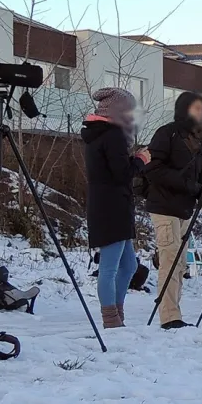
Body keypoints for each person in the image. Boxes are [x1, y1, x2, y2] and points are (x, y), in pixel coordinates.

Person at [82, 87, 149, 328]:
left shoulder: (97, 134)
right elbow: (122, 174)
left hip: (110, 204)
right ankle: (111, 318)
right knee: (109, 267)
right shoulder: (112, 136)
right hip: (112, 206)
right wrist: (141, 160)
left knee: (129, 265)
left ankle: (117, 312)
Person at [144, 92, 202, 329]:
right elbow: (153, 168)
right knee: (170, 259)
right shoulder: (166, 133)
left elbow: (199, 171)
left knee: (179, 263)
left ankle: (174, 312)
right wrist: (187, 185)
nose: (200, 113)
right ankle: (169, 316)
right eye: (195, 108)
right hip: (164, 206)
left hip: (183, 208)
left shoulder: (196, 138)